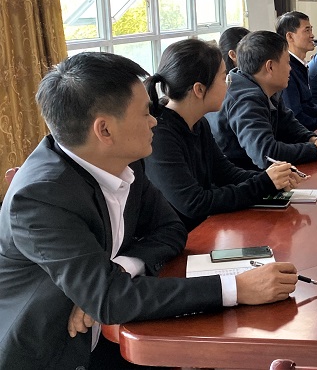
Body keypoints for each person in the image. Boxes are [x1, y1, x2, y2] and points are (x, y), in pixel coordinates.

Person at [0, 52, 298, 369]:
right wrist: (236, 287)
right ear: (104, 130)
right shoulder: (42, 196)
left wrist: (119, 269)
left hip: (112, 333)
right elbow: (111, 299)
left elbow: (171, 229)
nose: (154, 120)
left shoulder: (124, 163)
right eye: (145, 113)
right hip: (53, 352)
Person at [145, 39, 303, 232]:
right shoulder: (160, 135)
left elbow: (226, 173)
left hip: (205, 229)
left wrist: (274, 178)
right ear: (199, 89)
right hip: (183, 239)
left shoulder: (198, 123)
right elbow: (194, 203)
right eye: (224, 78)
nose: (229, 85)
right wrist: (265, 183)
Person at [208, 31, 317, 170]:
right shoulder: (245, 99)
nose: (290, 69)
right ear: (270, 67)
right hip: (243, 175)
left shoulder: (265, 86)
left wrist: (313, 139)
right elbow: (266, 155)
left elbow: (288, 124)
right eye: (287, 63)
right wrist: (316, 149)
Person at [276, 11, 317, 130]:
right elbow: (295, 116)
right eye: (307, 30)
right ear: (290, 36)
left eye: (311, 30)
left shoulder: (300, 65)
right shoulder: (286, 69)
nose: (312, 35)